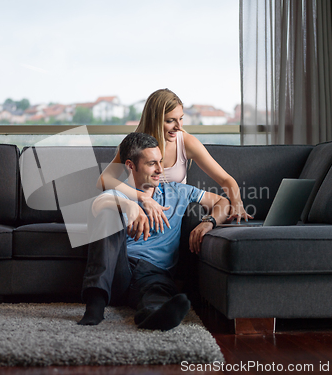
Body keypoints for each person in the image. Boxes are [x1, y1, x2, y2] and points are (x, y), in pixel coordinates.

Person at [79, 132, 230, 331]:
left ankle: (153, 315)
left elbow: (222, 201)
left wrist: (208, 222)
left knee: (157, 294)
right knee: (108, 211)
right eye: (152, 164)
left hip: (152, 274)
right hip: (118, 271)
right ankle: (95, 305)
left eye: (160, 162)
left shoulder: (178, 191)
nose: (160, 169)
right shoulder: (120, 193)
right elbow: (98, 204)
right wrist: (130, 205)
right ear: (131, 166)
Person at [98, 88, 252, 242]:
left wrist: (237, 204)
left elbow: (226, 180)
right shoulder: (136, 144)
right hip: (138, 213)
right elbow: (104, 180)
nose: (178, 126)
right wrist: (143, 198)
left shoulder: (186, 142)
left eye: (181, 118)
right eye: (170, 120)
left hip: (172, 216)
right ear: (155, 120)